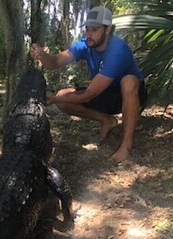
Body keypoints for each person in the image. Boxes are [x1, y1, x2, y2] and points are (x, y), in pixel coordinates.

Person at [30, 5, 147, 162]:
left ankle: (126, 144)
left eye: (94, 29)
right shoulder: (85, 44)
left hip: (129, 95)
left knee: (128, 81)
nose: (89, 34)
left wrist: (54, 100)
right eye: (87, 29)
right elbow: (57, 61)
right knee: (63, 96)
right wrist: (43, 56)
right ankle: (107, 120)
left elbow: (89, 94)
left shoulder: (118, 49)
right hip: (104, 94)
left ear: (107, 29)